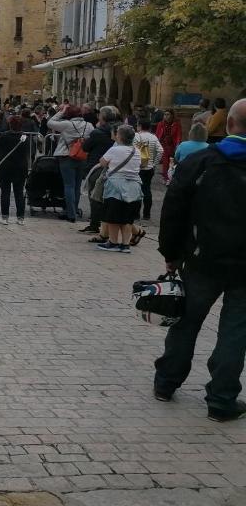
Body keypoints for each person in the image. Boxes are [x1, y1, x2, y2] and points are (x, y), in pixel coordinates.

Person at [152, 98, 246, 421]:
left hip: (201, 258)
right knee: (235, 331)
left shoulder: (201, 161)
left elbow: (174, 208)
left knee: (186, 322)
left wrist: (170, 254)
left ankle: (166, 381)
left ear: (229, 124)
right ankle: (221, 398)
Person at [96, 124, 142, 253]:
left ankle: (113, 242)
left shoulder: (114, 150)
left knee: (113, 216)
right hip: (134, 187)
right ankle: (125, 244)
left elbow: (102, 162)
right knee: (127, 218)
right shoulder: (136, 151)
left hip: (116, 186)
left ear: (120, 137)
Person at [48, 104, 93, 223]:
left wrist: (61, 112)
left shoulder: (67, 124)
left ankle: (70, 213)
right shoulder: (89, 125)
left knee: (69, 185)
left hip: (66, 156)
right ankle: (74, 210)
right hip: (82, 156)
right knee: (77, 186)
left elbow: (50, 122)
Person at [81, 105, 119, 242]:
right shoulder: (119, 130)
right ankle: (107, 226)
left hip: (97, 166)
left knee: (95, 196)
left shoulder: (98, 132)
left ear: (102, 117)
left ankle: (95, 224)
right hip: (116, 168)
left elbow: (86, 147)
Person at [0, 116, 30, 226]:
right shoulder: (25, 137)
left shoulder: (4, 136)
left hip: (5, 167)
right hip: (20, 167)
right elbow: (28, 153)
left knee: (5, 192)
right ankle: (20, 218)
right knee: (19, 193)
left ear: (10, 125)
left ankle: (5, 218)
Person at [133, 119, 163, 223]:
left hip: (137, 168)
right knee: (146, 190)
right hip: (149, 168)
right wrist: (154, 163)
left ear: (140, 126)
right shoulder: (153, 137)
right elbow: (160, 151)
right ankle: (146, 214)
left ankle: (136, 214)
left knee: (137, 190)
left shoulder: (136, 136)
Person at [155, 109, 183, 185]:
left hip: (173, 145)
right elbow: (158, 135)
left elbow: (178, 135)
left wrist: (178, 144)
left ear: (172, 115)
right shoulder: (161, 124)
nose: (166, 116)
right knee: (165, 162)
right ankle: (166, 177)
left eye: (168, 114)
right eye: (165, 115)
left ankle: (171, 177)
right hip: (164, 145)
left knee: (173, 162)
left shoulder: (176, 124)